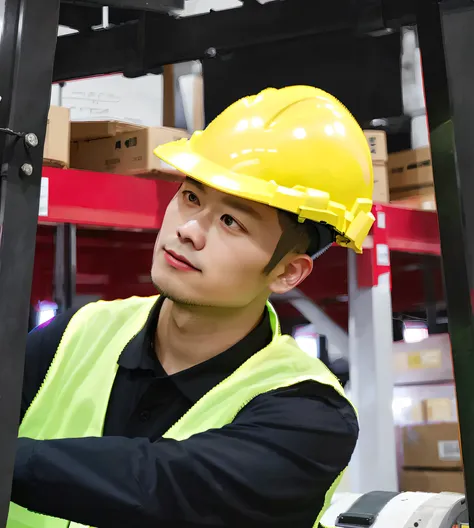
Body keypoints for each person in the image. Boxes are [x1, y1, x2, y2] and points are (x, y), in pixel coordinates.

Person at [9, 85, 374, 528]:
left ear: (287, 273)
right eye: (191, 197)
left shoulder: (310, 413)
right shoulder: (78, 334)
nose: (189, 230)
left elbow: (169, 486)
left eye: (230, 221)